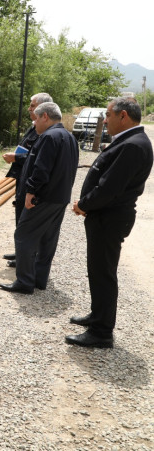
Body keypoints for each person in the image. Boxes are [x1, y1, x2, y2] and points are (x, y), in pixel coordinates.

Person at [67, 98, 153, 348]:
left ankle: (102, 332)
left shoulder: (133, 145)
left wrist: (84, 204)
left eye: (108, 115)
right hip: (106, 216)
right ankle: (97, 316)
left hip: (110, 217)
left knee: (103, 273)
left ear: (123, 116)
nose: (105, 120)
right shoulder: (131, 141)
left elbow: (110, 188)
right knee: (98, 270)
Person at [0, 102, 78, 295]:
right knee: (48, 239)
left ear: (45, 117)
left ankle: (25, 282)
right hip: (60, 197)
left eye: (36, 118)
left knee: (23, 235)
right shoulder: (69, 137)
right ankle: (39, 279)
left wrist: (31, 192)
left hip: (43, 198)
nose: (34, 124)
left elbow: (41, 169)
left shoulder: (49, 137)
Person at [1, 93, 53, 267]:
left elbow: (36, 159)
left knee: (28, 222)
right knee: (20, 219)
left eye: (32, 106)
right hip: (22, 179)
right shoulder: (34, 127)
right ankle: (20, 252)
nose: (29, 108)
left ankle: (27, 258)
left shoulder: (44, 132)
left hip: (31, 181)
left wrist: (16, 158)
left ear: (43, 111)